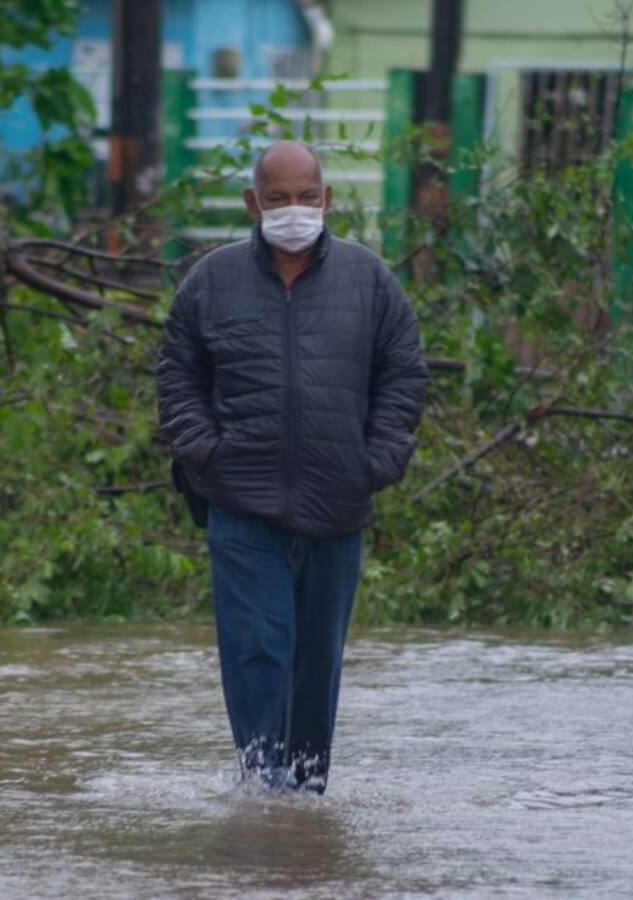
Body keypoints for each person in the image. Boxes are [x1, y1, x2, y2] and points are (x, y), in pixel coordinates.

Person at [156, 140, 428, 794]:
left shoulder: (370, 281)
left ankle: (306, 798)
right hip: (241, 503)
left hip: (337, 505)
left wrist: (378, 460)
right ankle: (261, 789)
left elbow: (404, 374)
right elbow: (177, 376)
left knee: (316, 665)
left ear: (328, 199)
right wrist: (207, 455)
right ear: (253, 203)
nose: (294, 210)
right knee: (257, 651)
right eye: (277, 198)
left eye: (307, 196)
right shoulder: (210, 281)